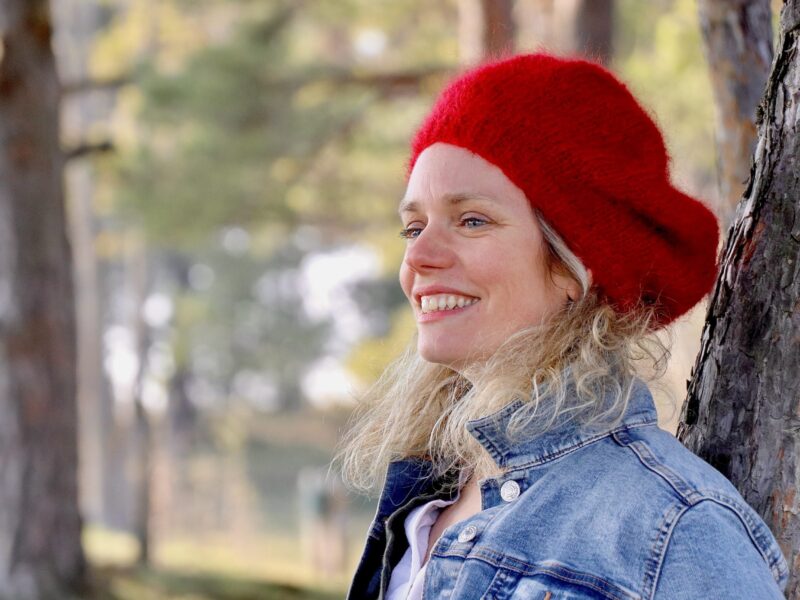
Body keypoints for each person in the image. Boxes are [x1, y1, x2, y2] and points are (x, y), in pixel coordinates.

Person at [337, 53, 788, 599]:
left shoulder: (677, 528)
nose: (420, 256)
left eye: (472, 220)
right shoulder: (422, 503)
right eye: (413, 227)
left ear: (575, 263)